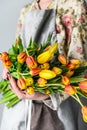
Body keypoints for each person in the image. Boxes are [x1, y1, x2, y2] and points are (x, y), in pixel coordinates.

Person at [0, 0, 87, 130]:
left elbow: (80, 66)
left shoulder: (75, 5)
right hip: (20, 109)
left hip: (59, 112)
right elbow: (17, 52)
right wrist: (10, 68)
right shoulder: (26, 11)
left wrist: (45, 94)